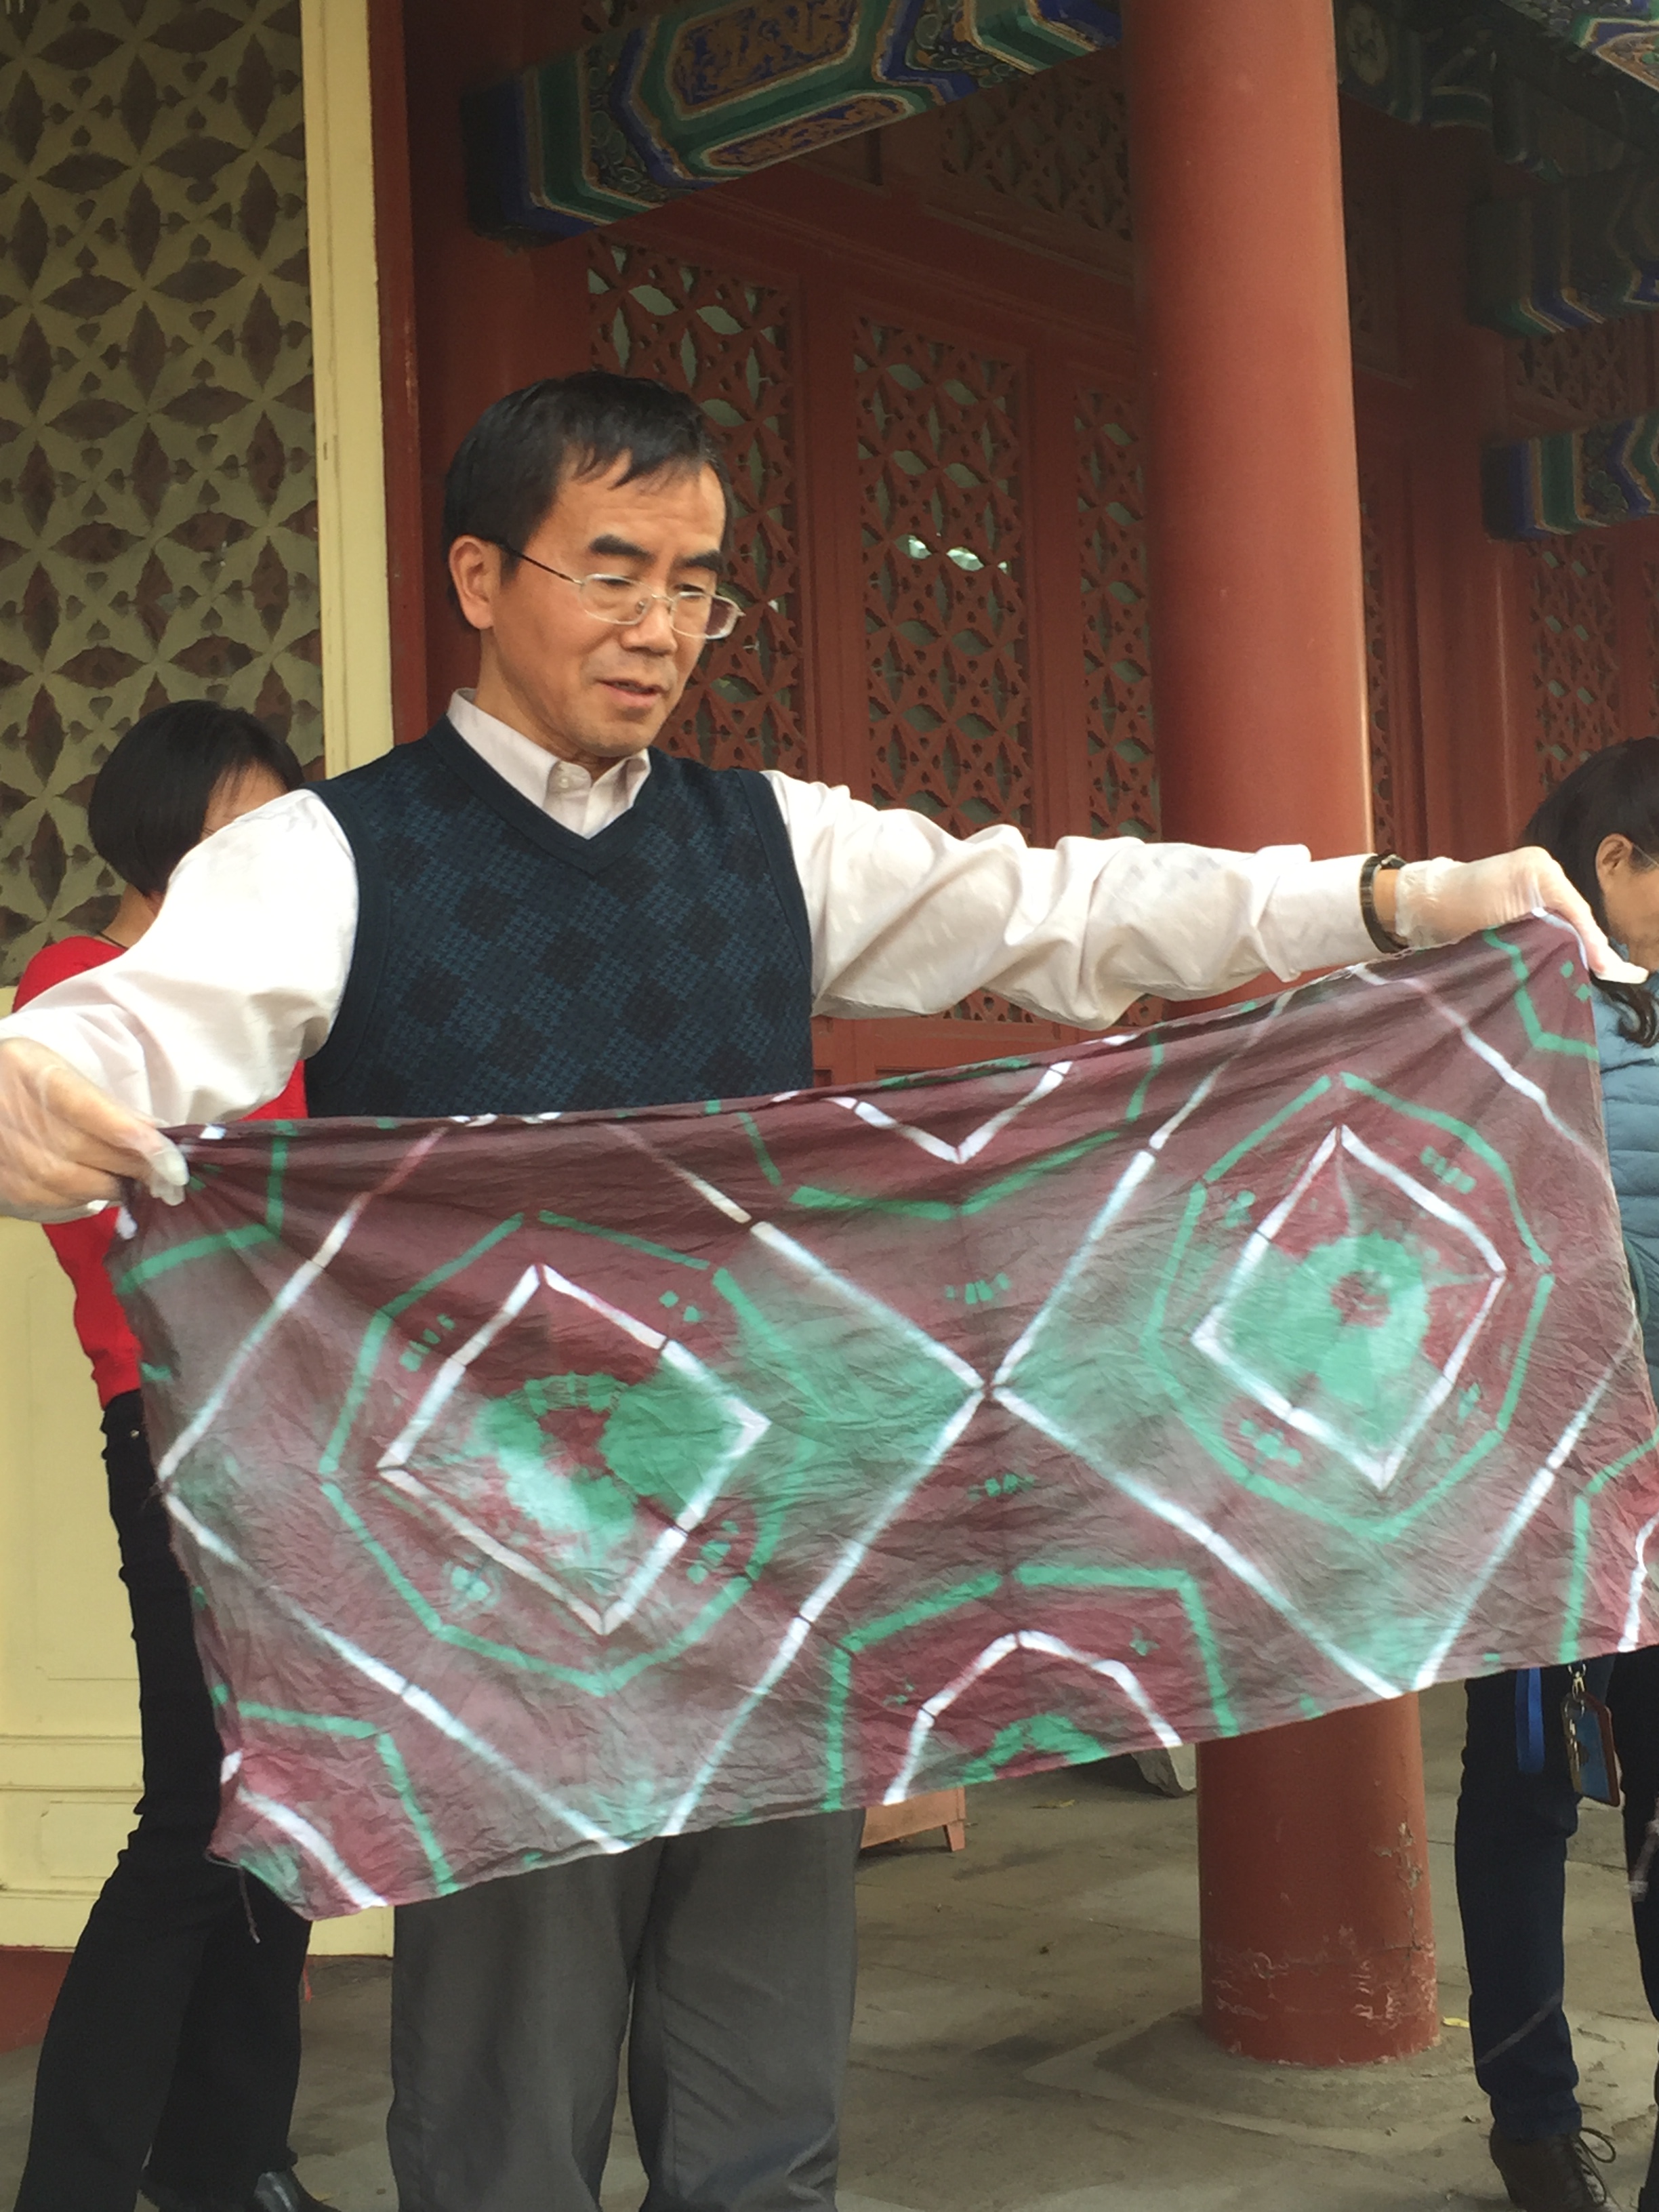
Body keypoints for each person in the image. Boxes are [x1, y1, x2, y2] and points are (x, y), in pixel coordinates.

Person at [0, 370, 1640, 2212]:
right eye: (612, 569)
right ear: (478, 577)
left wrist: (1399, 901)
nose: (660, 626)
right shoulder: (330, 857)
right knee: (499, 2135)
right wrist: (36, 1080)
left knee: (765, 2118)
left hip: (782, 1569)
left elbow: (1062, 908)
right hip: (499, 1608)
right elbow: (134, 1022)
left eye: (696, 584)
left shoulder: (767, 839)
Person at [8, 703, 326, 2212]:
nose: (265, 859)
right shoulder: (78, 993)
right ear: (155, 831)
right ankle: (75, 2182)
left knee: (290, 1805)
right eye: (235, 828)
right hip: (178, 1433)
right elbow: (124, 1220)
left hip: (311, 1438)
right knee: (195, 1813)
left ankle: (231, 2164)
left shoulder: (287, 1004)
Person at [1455, 737, 1659, 2212]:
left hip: (1637, 1508)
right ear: (1618, 863)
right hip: (1535, 1504)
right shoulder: (1494, 1023)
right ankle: (1532, 2122)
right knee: (1522, 1800)